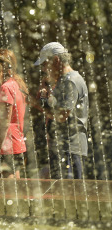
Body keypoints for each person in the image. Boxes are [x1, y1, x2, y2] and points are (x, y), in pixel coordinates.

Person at [34, 42, 89, 179]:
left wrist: (36, 104)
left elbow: (61, 116)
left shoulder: (70, 81)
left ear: (56, 60)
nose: (44, 69)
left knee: (68, 194)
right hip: (64, 146)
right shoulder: (63, 80)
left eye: (45, 64)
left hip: (69, 148)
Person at [0, 49, 28, 178]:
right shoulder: (17, 85)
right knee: (15, 190)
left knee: (5, 191)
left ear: (2, 65)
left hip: (6, 145)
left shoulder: (6, 88)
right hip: (15, 143)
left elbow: (5, 123)